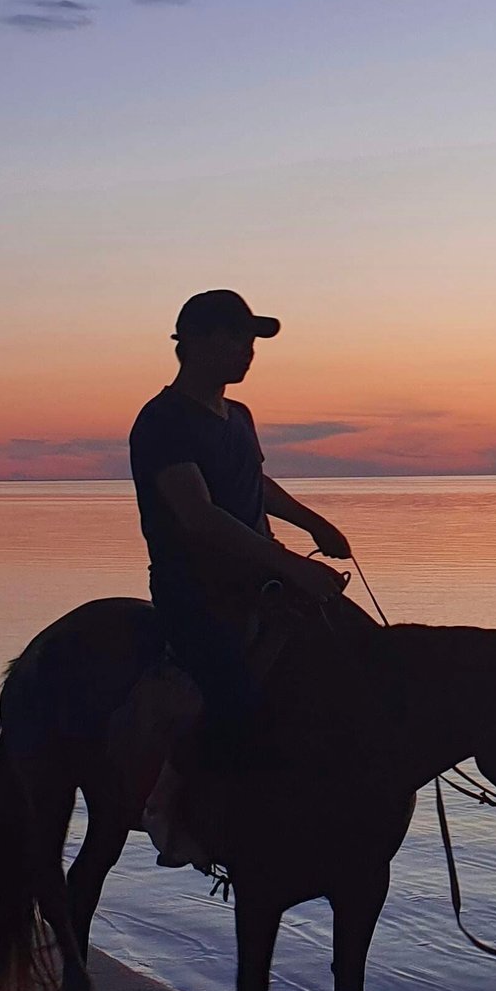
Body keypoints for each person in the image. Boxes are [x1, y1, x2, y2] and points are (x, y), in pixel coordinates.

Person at [129, 289, 351, 771]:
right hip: (196, 593)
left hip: (261, 578)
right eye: (238, 338)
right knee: (239, 706)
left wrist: (316, 526)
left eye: (251, 340)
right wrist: (290, 563)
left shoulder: (239, 417)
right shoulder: (162, 421)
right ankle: (185, 811)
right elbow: (198, 515)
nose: (249, 351)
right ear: (198, 342)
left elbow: (256, 484)